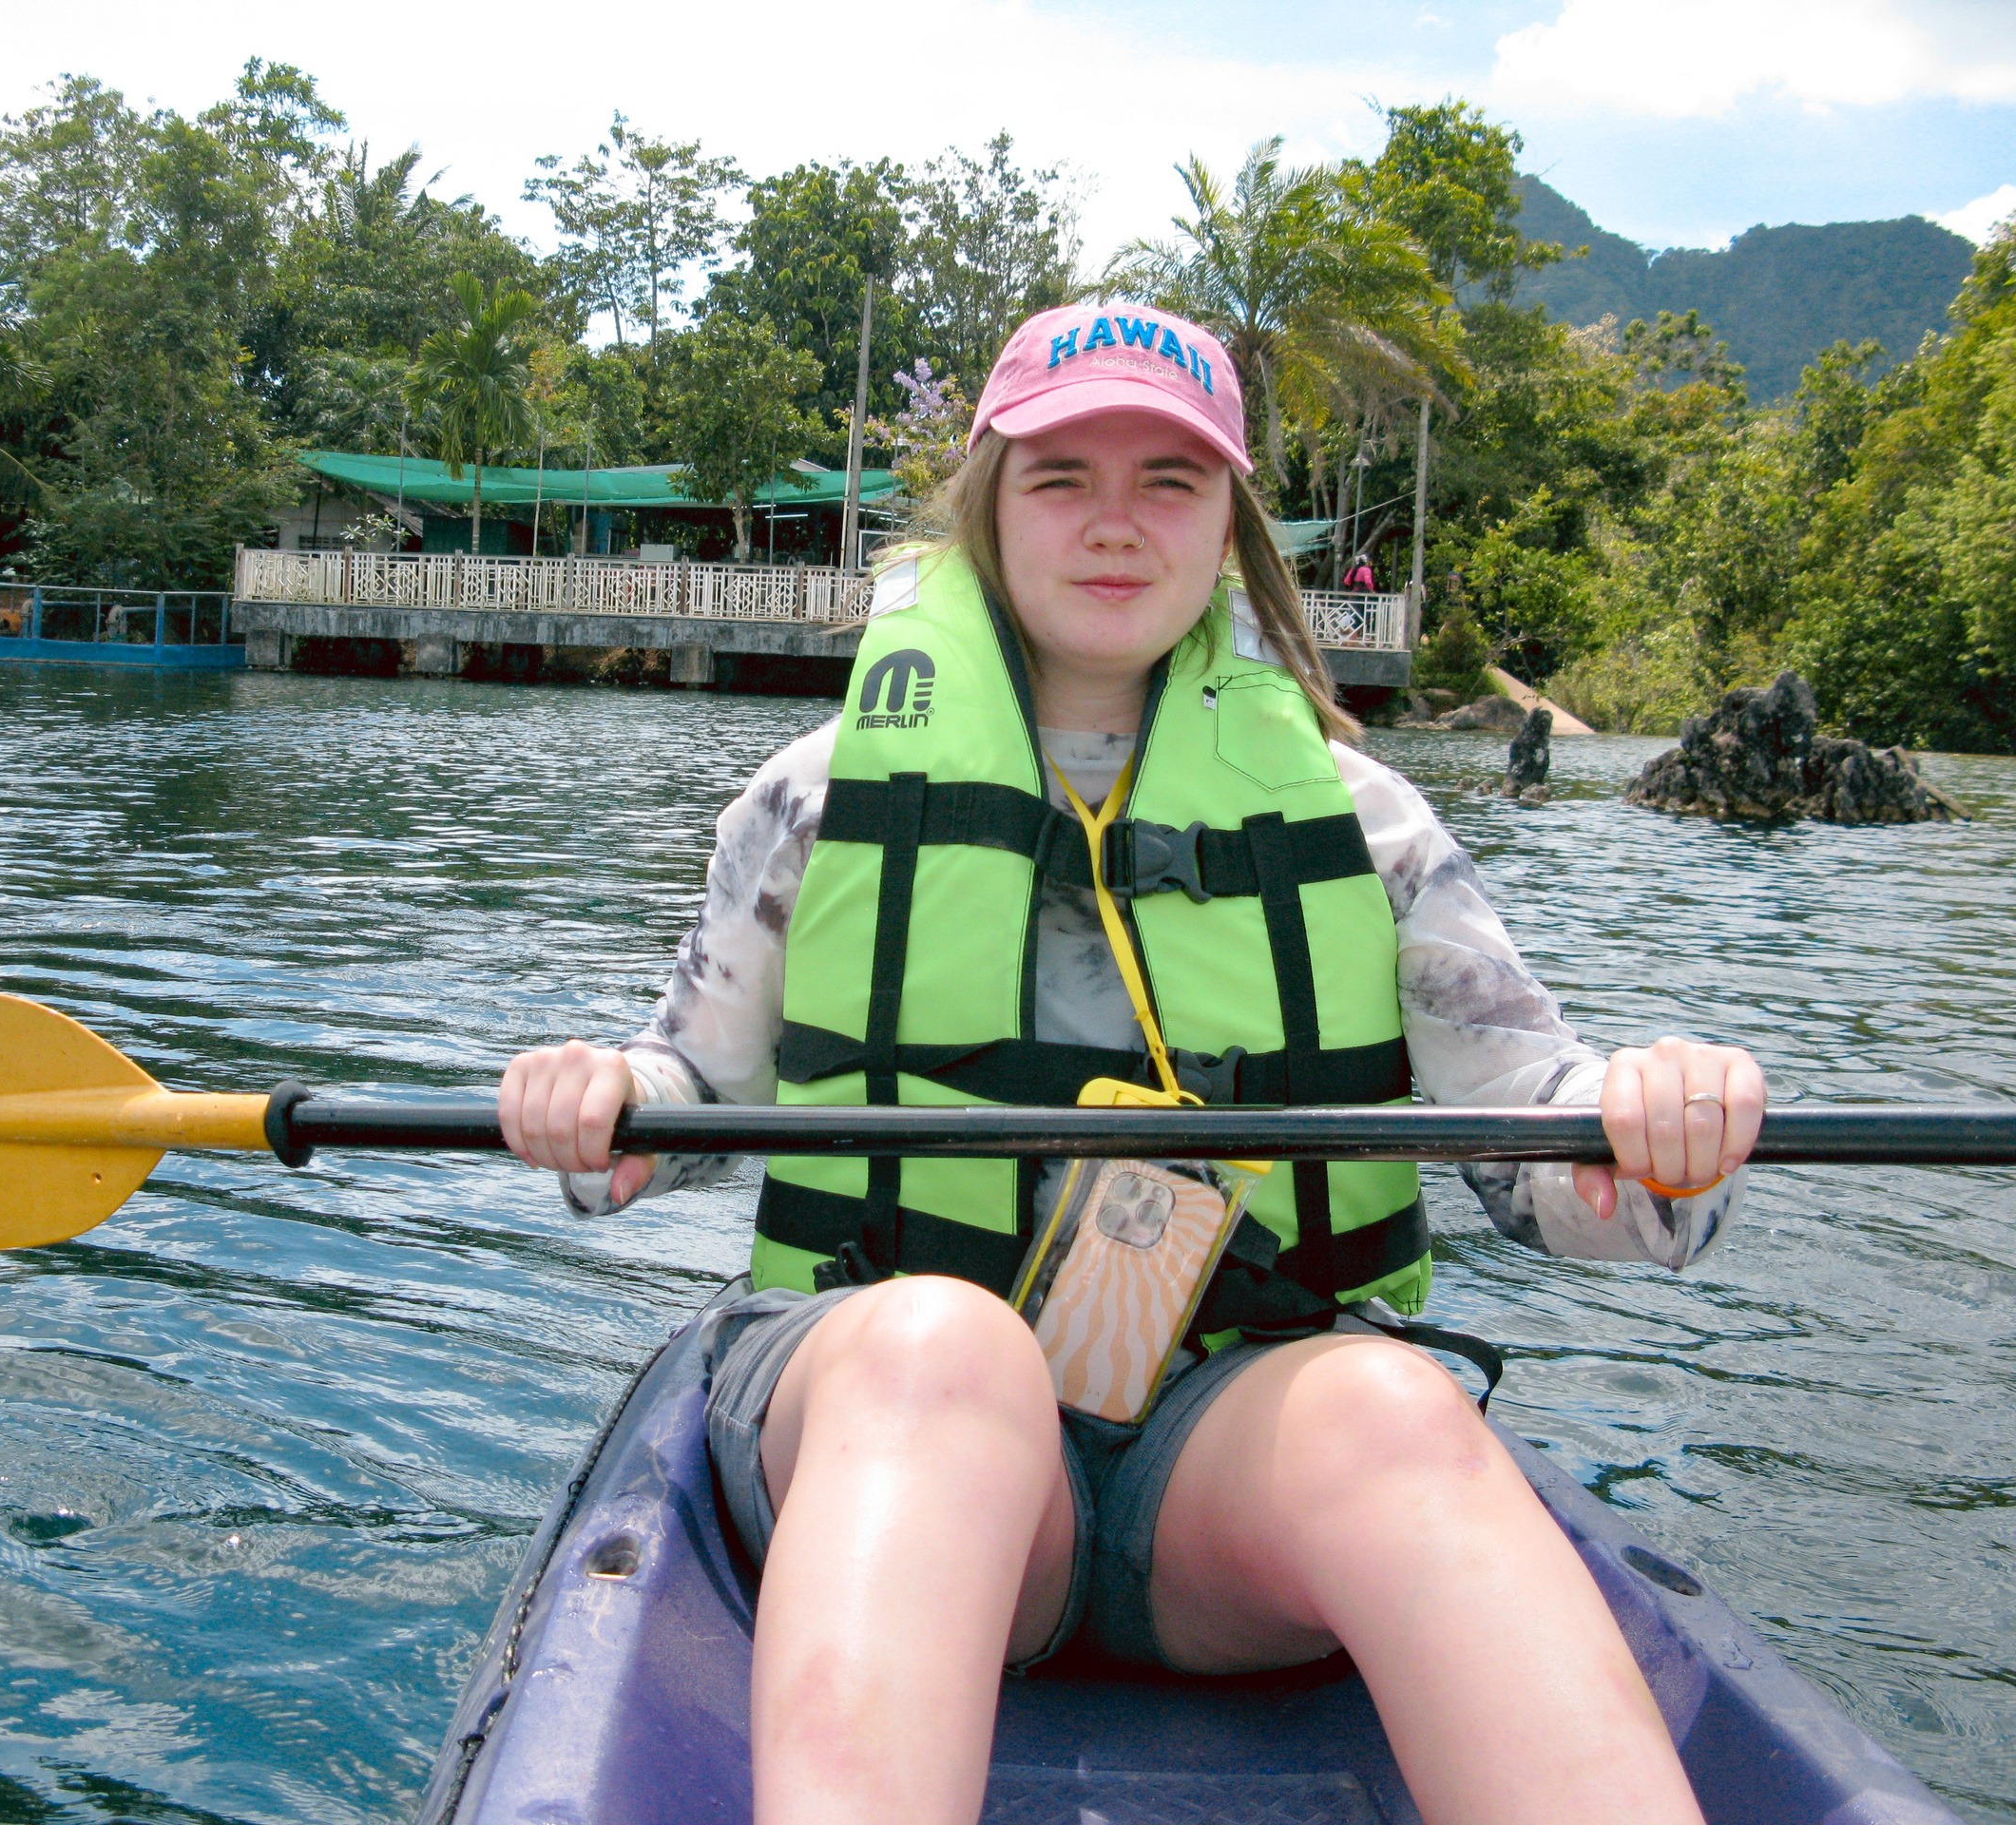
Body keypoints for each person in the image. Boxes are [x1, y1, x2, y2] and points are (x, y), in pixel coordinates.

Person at [500, 301, 1762, 1825]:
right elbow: (691, 1092)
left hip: (1225, 1466)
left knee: (1393, 1408)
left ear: (1229, 522)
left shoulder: (1364, 828)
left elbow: (1535, 1147)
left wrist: (1652, 1130)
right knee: (940, 1350)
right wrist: (611, 1112)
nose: (1115, 525)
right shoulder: (813, 799)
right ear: (987, 504)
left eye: (1170, 481)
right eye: (1060, 479)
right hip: (877, 1401)